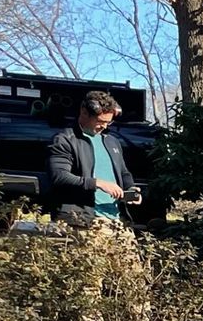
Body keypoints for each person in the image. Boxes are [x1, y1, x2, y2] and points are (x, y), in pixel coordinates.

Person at [48, 89, 138, 226]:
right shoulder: (65, 140)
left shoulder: (112, 141)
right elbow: (59, 176)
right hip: (80, 220)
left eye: (109, 122)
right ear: (84, 112)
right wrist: (98, 183)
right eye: (100, 121)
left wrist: (131, 188)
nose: (104, 126)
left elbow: (124, 173)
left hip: (116, 219)